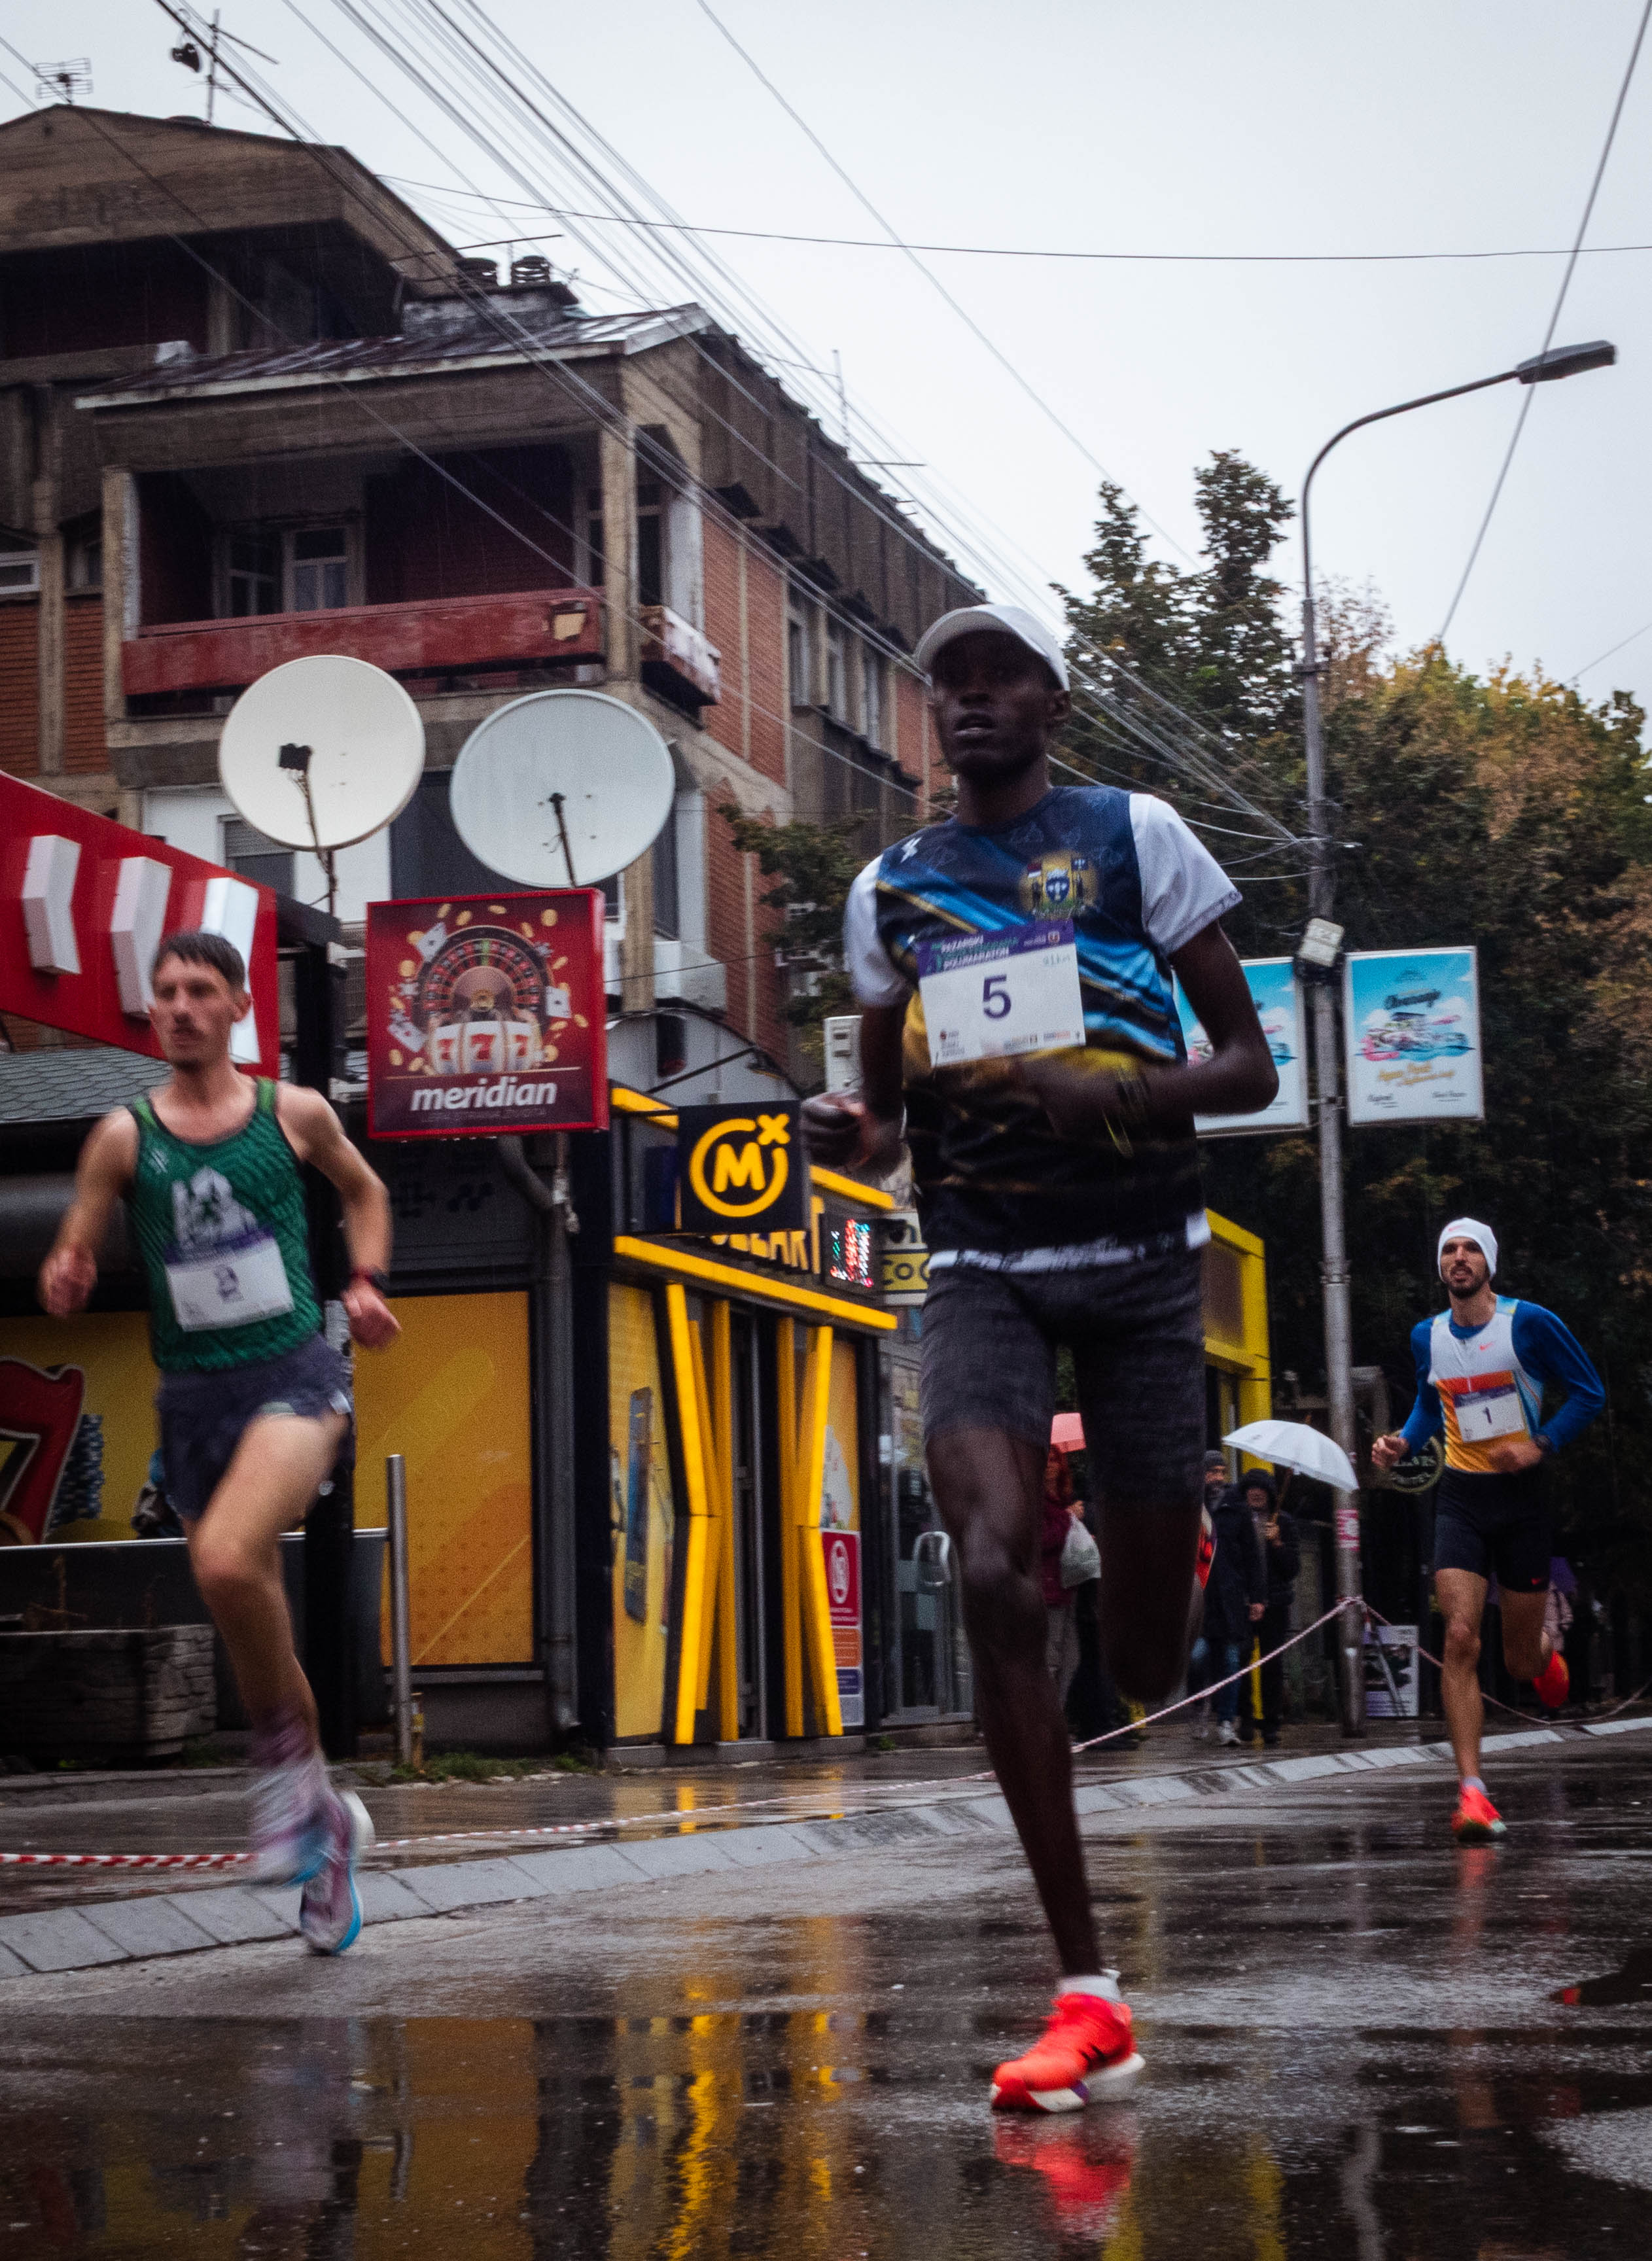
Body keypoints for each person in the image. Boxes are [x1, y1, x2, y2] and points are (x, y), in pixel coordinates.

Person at [803, 601, 1277, 2111]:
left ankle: (1148, 1560)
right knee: (993, 1576)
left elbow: (1248, 1064)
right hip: (980, 1264)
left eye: (997, 678)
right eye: (945, 683)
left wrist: (1114, 1096)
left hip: (1140, 1265)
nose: (968, 702)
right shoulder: (890, 889)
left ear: (1049, 703)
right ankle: (1086, 1989)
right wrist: (844, 1131)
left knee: (1137, 1665)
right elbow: (881, 1126)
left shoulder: (1132, 837)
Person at [39, 930, 400, 1951]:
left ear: (241, 1006)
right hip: (192, 1400)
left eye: (201, 990)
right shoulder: (124, 1137)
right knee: (250, 1617)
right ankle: (323, 1820)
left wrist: (365, 1280)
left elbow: (366, 1191)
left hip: (293, 1378)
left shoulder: (294, 1113)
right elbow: (73, 1241)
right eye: (166, 993)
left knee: (229, 1562)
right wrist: (67, 1270)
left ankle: (281, 1783)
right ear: (151, 1011)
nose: (181, 1007)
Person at [1372, 1218, 1603, 1843]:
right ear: (1439, 1265)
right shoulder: (1426, 1335)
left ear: (1488, 1263)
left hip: (1522, 1500)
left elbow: (1588, 1393)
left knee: (1518, 1660)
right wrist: (1402, 1442)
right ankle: (1471, 1793)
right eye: (1448, 1249)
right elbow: (1430, 1403)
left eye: (1470, 1248)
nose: (1458, 1257)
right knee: (1459, 1637)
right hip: (1461, 1498)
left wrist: (1539, 1444)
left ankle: (1544, 1658)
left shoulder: (1528, 1323)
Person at [1197, 1471, 1265, 1745]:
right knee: (1196, 1657)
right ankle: (1200, 1704)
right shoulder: (1192, 1508)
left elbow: (1252, 1556)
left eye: (1221, 1472)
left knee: (1232, 1662)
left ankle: (1226, 1721)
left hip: (1230, 1600)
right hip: (1200, 1600)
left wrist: (1257, 1597)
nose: (1217, 1478)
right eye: (1211, 1472)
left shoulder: (1237, 1510)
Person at [1235, 1471, 1298, 1746]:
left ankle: (1272, 1723)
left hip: (1275, 1605)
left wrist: (1277, 1543)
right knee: (1241, 1662)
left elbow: (1292, 1569)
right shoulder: (1236, 1521)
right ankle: (1246, 1720)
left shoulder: (1284, 1522)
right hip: (1244, 1603)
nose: (1257, 1493)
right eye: (1252, 1488)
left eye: (1262, 1489)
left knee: (1272, 1664)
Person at [1040, 1448, 1082, 1706]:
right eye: (1046, 1461)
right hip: (1050, 1587)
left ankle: (1058, 1710)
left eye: (1055, 1460)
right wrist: (1068, 1519)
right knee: (1052, 1655)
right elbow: (1044, 1540)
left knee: (1071, 1656)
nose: (1051, 1466)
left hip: (1069, 1584)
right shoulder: (1039, 1503)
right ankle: (1047, 1713)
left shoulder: (1063, 1499)